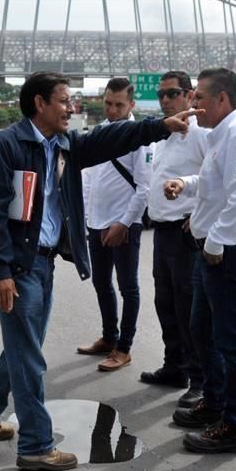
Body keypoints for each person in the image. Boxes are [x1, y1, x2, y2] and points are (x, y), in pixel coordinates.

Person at [0, 71, 197, 471]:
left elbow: (110, 139)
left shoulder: (64, 144)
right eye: (64, 100)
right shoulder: (8, 146)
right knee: (29, 356)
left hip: (44, 262)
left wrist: (158, 127)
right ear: (40, 103)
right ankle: (35, 445)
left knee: (24, 346)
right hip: (18, 266)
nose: (71, 108)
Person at [163, 68, 236, 454]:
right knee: (202, 330)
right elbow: (217, 182)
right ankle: (215, 402)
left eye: (201, 101)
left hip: (227, 252)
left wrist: (217, 241)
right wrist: (187, 185)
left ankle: (235, 426)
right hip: (213, 248)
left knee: (230, 342)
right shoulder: (222, 135)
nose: (195, 109)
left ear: (222, 99)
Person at [140, 70, 210, 409]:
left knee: (188, 308)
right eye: (161, 95)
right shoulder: (162, 136)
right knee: (165, 303)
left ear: (189, 95)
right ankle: (175, 367)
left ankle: (199, 380)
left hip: (185, 233)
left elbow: (214, 176)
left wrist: (198, 212)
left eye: (172, 94)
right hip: (162, 231)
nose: (165, 100)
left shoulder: (202, 135)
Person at [76, 77, 152, 372]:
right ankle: (109, 337)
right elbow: (89, 177)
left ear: (131, 105)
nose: (112, 109)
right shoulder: (99, 132)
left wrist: (124, 223)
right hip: (96, 222)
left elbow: (145, 187)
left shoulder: (140, 136)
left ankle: (124, 348)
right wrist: (84, 218)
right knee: (100, 282)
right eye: (108, 103)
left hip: (123, 224)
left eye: (119, 105)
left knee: (128, 286)